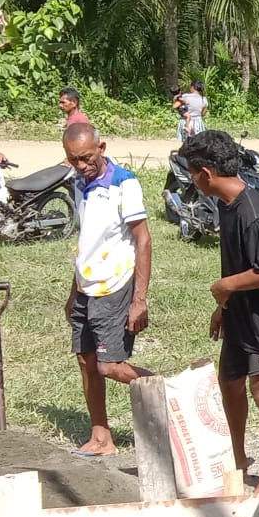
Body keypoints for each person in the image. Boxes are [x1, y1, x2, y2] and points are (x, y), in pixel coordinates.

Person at [180, 130, 259, 495]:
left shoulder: (253, 213)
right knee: (229, 383)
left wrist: (227, 287)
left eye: (191, 173)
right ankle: (236, 460)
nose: (191, 180)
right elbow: (237, 262)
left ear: (205, 172)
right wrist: (223, 306)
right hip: (239, 314)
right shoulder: (225, 204)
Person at [63, 121, 152, 458]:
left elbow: (143, 239)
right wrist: (74, 292)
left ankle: (170, 394)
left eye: (87, 158)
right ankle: (101, 438)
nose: (82, 166)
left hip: (115, 287)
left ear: (101, 148)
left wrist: (139, 299)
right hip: (86, 287)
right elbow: (86, 242)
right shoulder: (78, 184)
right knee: (86, 361)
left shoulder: (123, 183)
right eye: (74, 160)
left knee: (110, 366)